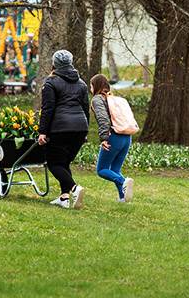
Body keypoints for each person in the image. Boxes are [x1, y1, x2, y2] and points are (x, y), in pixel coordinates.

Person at [38, 50, 89, 209]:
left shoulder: (51, 82)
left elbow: (47, 109)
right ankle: (64, 198)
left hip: (61, 128)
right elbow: (85, 108)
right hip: (80, 127)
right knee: (64, 162)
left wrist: (42, 132)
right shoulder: (81, 83)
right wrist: (85, 132)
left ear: (54, 64)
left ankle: (74, 188)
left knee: (54, 163)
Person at [89, 74, 134, 203]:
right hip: (126, 137)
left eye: (91, 85)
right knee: (115, 170)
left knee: (102, 170)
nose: (90, 88)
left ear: (96, 86)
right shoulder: (115, 99)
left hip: (114, 137)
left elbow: (103, 119)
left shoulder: (98, 99)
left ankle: (123, 181)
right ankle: (122, 198)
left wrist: (104, 138)